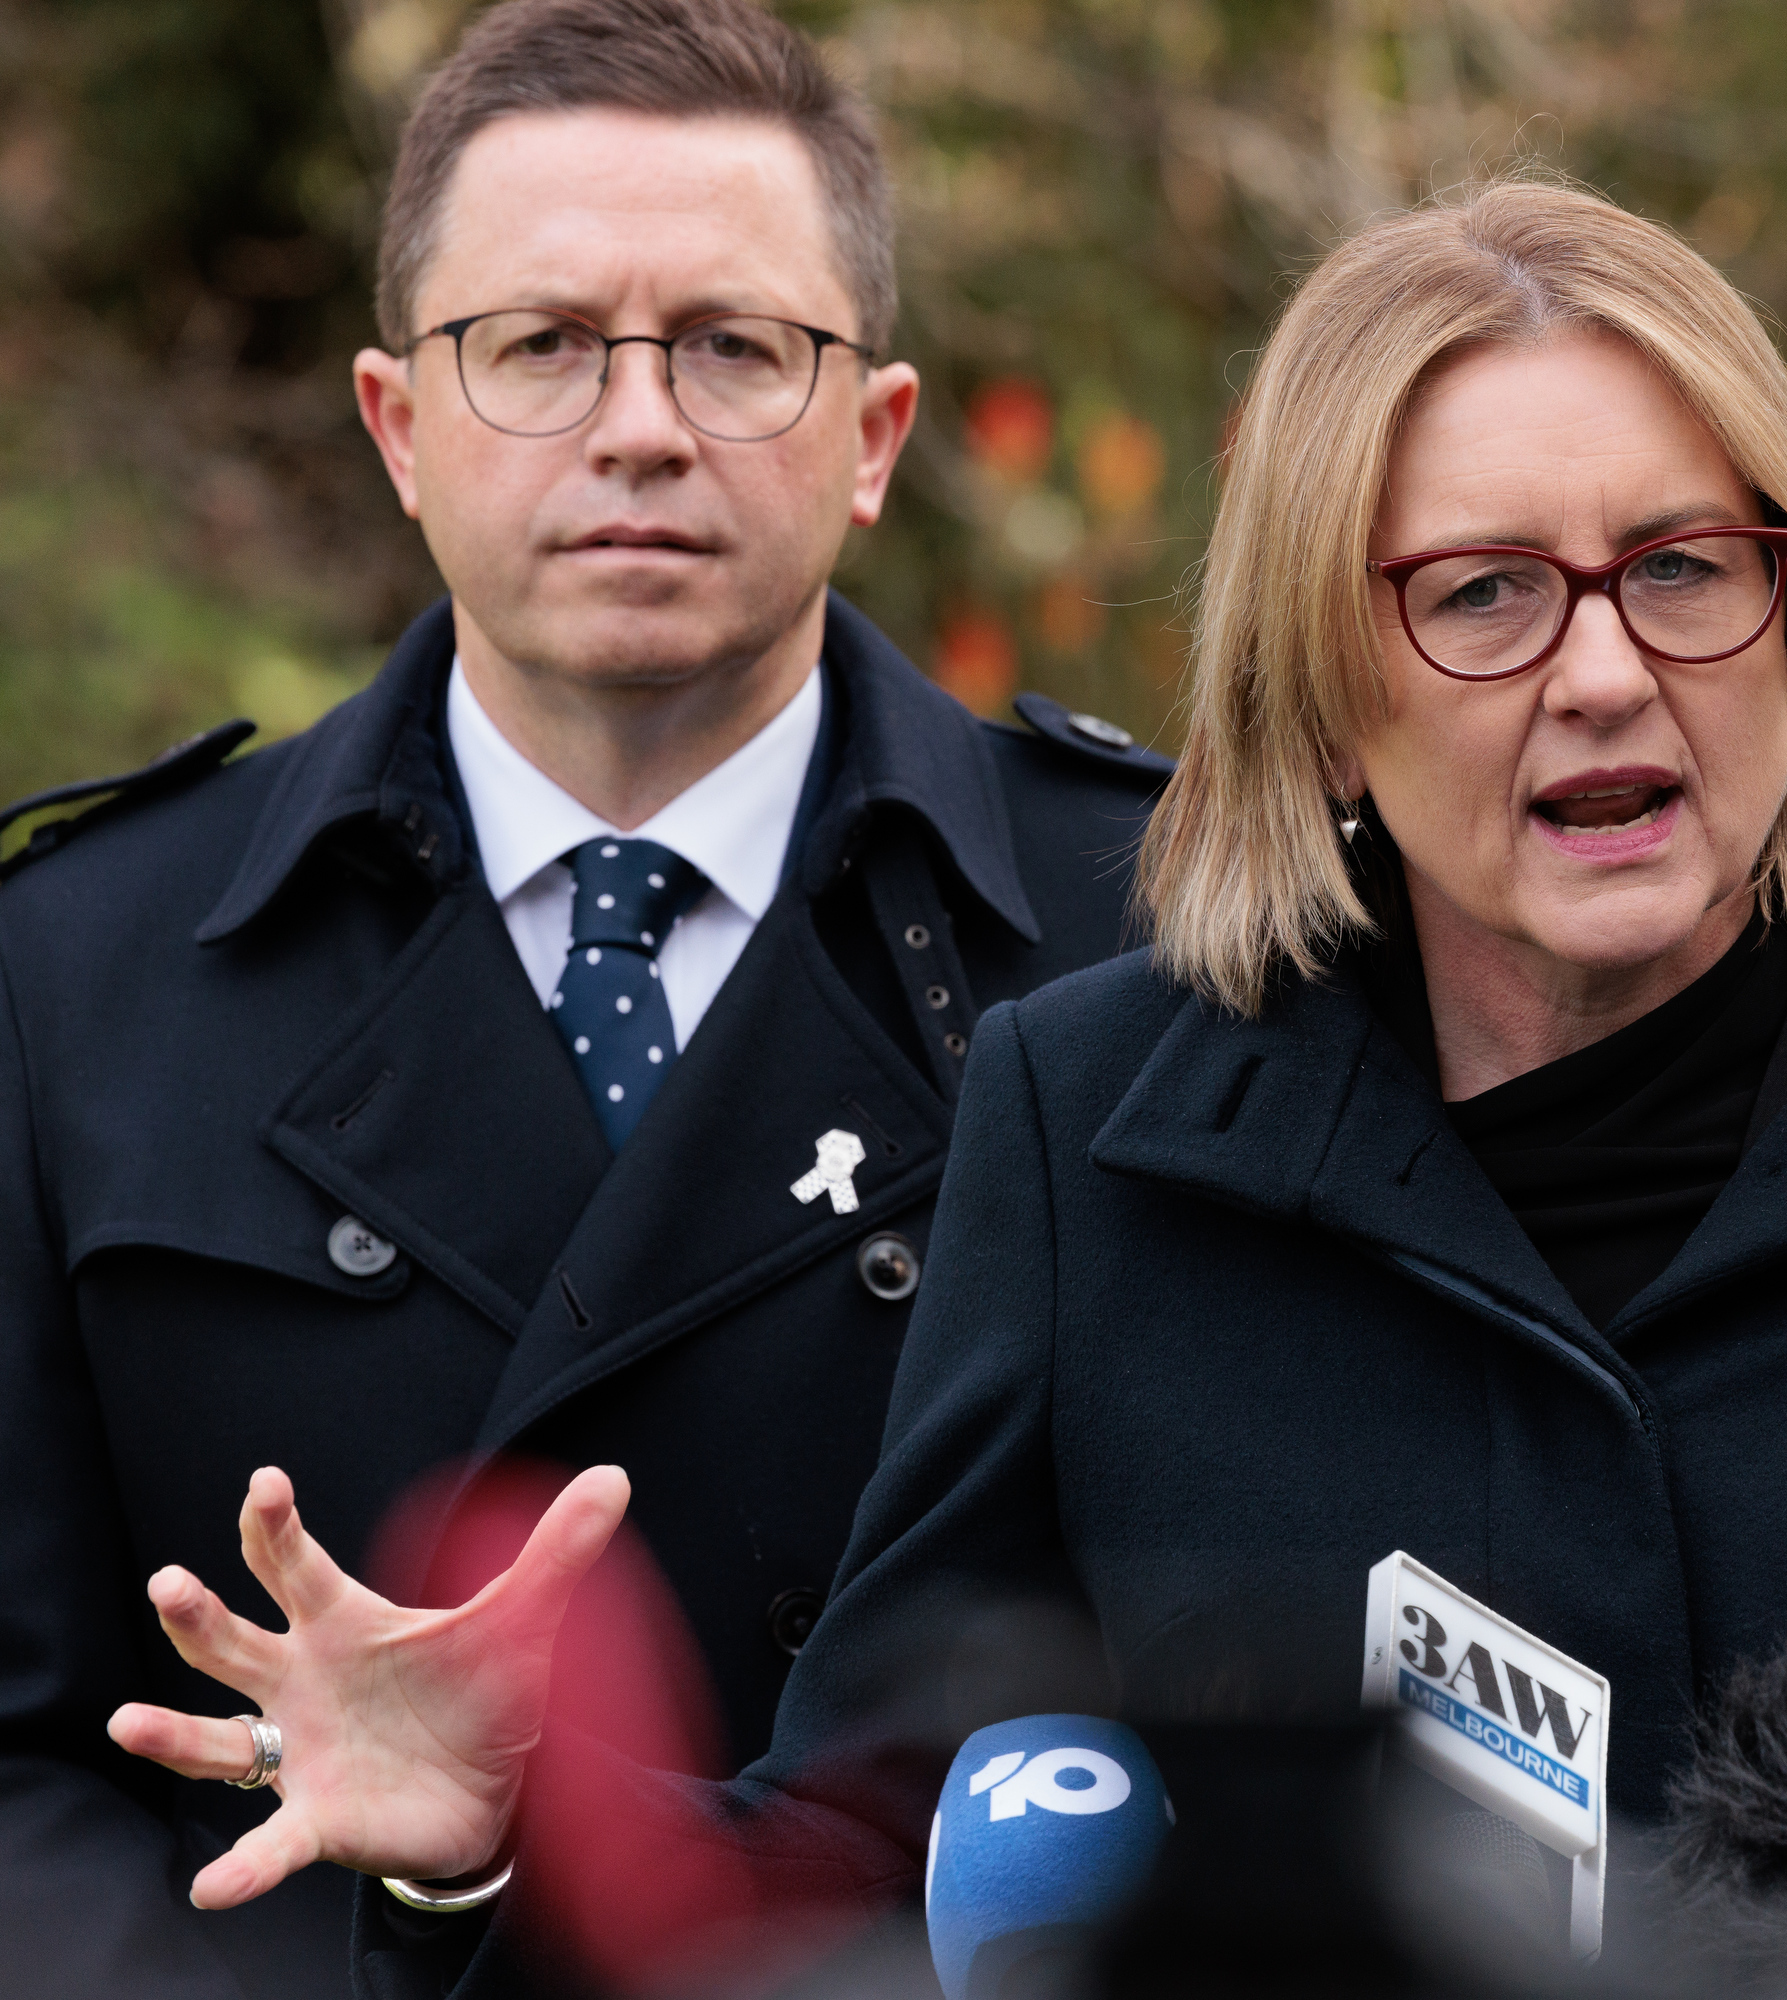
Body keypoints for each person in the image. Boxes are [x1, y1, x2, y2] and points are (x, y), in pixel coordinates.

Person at [109, 180, 1787, 1999]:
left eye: (1683, 568)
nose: (1604, 670)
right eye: (1481, 596)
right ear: (1323, 687)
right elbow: (869, 1850)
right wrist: (509, 1825)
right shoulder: (1088, 1131)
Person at [0, 2, 1168, 1995]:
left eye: (734, 346)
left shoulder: (1152, 931)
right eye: (540, 345)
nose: (639, 425)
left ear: (877, 437)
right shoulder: (78, 967)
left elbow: (1252, 1681)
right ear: (399, 426)